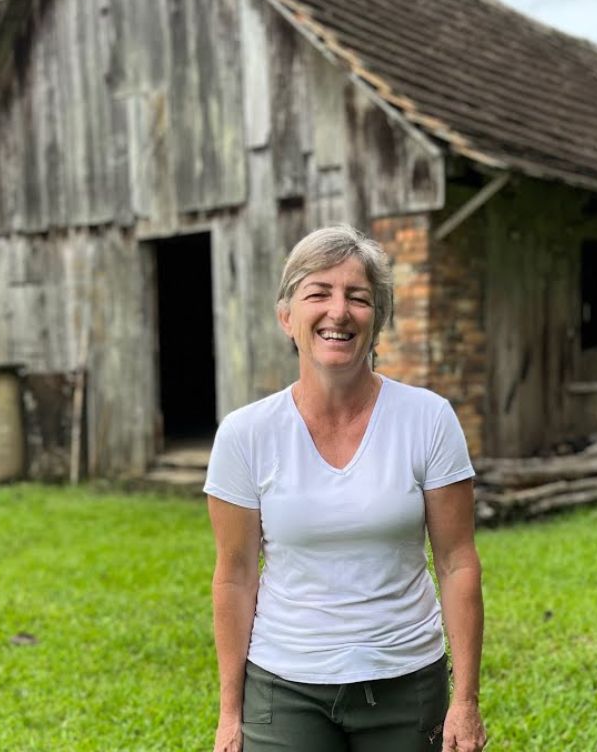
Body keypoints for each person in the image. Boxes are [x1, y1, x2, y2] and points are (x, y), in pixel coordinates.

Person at [206, 225, 486, 752]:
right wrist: (229, 712)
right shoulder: (245, 434)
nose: (339, 312)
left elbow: (457, 562)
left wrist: (465, 700)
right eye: (319, 293)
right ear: (287, 316)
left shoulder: (429, 419)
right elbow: (235, 575)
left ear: (377, 320)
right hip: (284, 684)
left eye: (358, 298)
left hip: (406, 680)